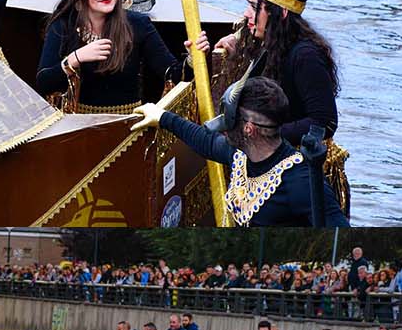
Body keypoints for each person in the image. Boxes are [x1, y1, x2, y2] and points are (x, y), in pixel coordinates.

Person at [129, 76, 347, 225]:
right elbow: (207, 141)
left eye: (229, 120)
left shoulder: (300, 181)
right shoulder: (241, 155)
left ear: (249, 129)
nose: (223, 127)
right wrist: (162, 117)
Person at [36, 0, 198, 112]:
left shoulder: (138, 24)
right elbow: (43, 83)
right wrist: (76, 58)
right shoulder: (63, 25)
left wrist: (193, 59)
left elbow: (172, 75)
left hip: (130, 126)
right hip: (79, 127)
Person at [210, 0, 341, 148]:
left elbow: (324, 121)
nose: (246, 13)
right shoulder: (272, 43)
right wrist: (236, 40)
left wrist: (264, 134)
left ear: (282, 13)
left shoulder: (306, 56)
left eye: (254, 7)